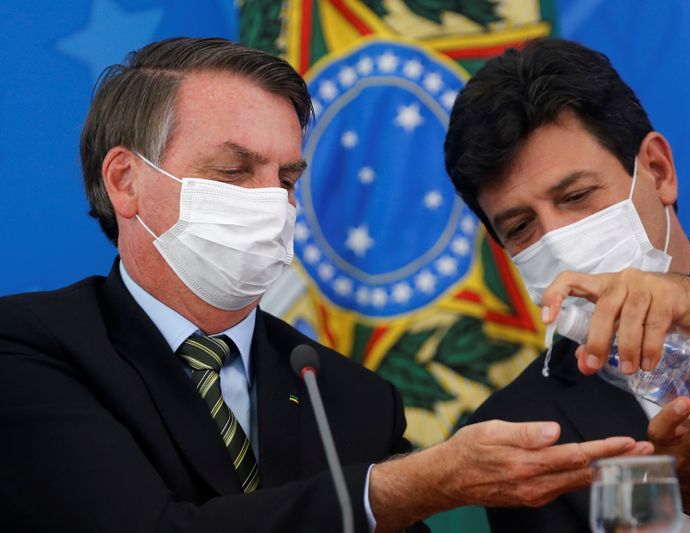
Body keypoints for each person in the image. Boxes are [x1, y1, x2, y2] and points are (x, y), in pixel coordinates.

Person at [0, 37, 652, 533]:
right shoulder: (31, 350)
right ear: (125, 181)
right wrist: (398, 488)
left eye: (285, 178)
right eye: (235, 169)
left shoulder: (347, 396)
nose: (273, 204)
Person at [444, 37, 690, 532]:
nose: (561, 246)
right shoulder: (522, 433)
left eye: (577, 195)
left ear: (658, 171)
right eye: (522, 227)